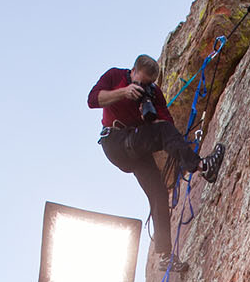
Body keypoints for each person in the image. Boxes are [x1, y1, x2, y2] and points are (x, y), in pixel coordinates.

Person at [88, 54, 224, 266]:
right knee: (160, 133)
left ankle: (164, 256)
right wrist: (124, 92)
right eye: (139, 83)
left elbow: (166, 126)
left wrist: (148, 114)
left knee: (159, 194)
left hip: (137, 148)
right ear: (132, 71)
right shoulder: (115, 76)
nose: (142, 88)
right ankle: (202, 166)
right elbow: (92, 100)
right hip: (115, 141)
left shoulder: (153, 94)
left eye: (147, 84)